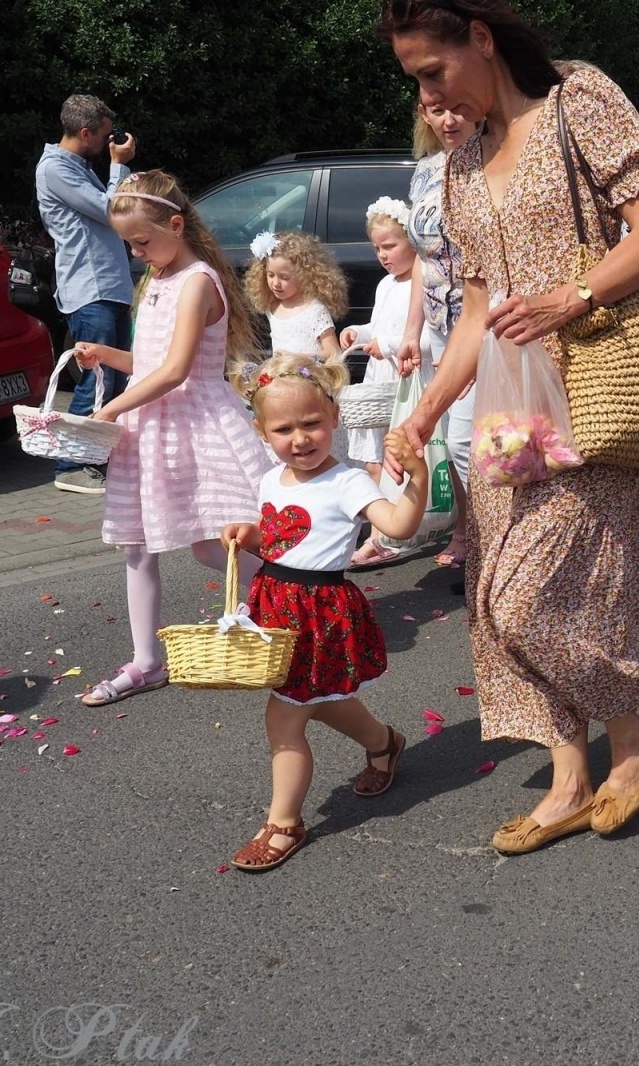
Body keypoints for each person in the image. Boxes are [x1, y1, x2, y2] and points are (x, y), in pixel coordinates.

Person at [381, 0, 639, 854]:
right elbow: (477, 311)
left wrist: (573, 298)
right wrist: (423, 413)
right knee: (496, 610)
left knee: (526, 597)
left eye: (434, 70)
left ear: (482, 40)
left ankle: (634, 733)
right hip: (505, 410)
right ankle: (570, 776)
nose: (428, 94)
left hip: (595, 390)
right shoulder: (460, 165)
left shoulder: (580, 98)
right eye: (414, 79)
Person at [220, 353, 431, 871]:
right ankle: (385, 744)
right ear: (262, 431)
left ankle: (284, 823)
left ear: (334, 417)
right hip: (276, 605)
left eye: (312, 423)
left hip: (318, 612)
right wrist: (249, 534)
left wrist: (418, 481)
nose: (300, 438)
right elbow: (279, 535)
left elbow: (398, 525)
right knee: (322, 698)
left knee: (284, 720)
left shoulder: (349, 481)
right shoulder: (273, 480)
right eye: (284, 428)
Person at [73, 170, 274, 707]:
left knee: (215, 545)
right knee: (136, 546)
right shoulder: (159, 279)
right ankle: (146, 661)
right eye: (129, 244)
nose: (137, 253)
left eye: (142, 241)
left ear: (176, 224)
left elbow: (178, 370)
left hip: (194, 424)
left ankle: (287, 599)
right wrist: (107, 356)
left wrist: (111, 408)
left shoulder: (198, 281)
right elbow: (151, 365)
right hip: (151, 428)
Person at [34, 93, 137, 495]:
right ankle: (69, 465)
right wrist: (117, 167)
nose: (109, 142)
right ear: (85, 132)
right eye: (105, 136)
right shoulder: (55, 170)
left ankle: (97, 458)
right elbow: (112, 210)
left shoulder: (76, 165)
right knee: (96, 379)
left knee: (113, 379)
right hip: (89, 289)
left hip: (108, 287)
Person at [405, 101, 482, 571]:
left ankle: (498, 542)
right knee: (451, 440)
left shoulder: (493, 164)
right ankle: (472, 534)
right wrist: (412, 331)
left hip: (485, 327)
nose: (449, 120)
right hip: (439, 327)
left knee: (467, 443)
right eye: (437, 111)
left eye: (458, 109)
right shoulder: (425, 171)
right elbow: (422, 258)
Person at [340, 197, 418, 509]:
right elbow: (379, 324)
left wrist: (384, 346)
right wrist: (358, 332)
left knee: (400, 452)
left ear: (412, 241)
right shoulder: (385, 284)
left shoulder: (419, 284)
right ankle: (386, 518)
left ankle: (405, 514)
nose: (383, 256)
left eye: (389, 246)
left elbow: (421, 335)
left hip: (403, 376)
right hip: (379, 379)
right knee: (375, 456)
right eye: (377, 249)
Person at [244, 231, 348, 360]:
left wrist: (297, 358)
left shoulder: (315, 310)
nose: (276, 283)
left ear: (304, 275)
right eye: (270, 275)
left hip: (309, 376)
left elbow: (333, 352)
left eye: (284, 277)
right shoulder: (272, 307)